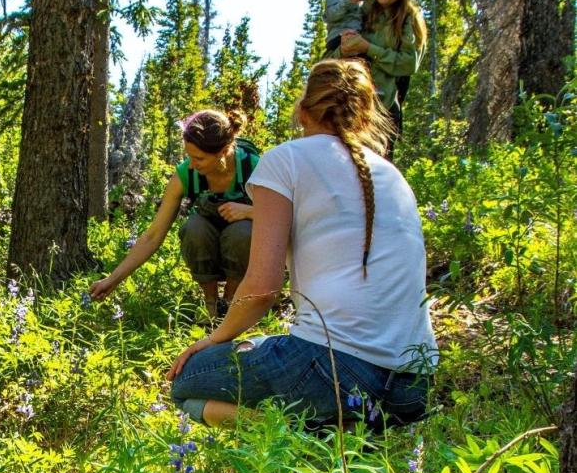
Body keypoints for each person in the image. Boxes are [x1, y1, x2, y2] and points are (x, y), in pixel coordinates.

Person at [167, 59, 437, 430]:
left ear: (303, 110)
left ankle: (299, 434)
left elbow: (262, 289)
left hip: (335, 368)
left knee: (185, 385)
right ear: (362, 115)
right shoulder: (391, 174)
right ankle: (346, 430)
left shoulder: (285, 160)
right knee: (273, 348)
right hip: (414, 386)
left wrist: (212, 340)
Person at [89, 109, 259, 318]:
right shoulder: (186, 174)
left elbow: (284, 214)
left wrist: (251, 211)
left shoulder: (252, 166)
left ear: (223, 151)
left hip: (245, 247)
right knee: (193, 228)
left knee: (242, 232)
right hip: (208, 240)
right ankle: (211, 307)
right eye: (189, 156)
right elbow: (153, 235)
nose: (192, 165)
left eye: (199, 158)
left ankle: (232, 301)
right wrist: (112, 279)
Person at [339, 0, 427, 136]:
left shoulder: (409, 20)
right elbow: (333, 52)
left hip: (383, 108)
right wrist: (342, 49)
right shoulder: (364, 11)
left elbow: (409, 63)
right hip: (350, 104)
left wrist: (368, 48)